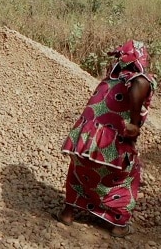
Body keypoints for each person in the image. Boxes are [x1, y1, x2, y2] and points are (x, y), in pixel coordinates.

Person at [54, 40, 157, 237]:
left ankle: (68, 212)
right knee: (128, 178)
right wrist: (134, 123)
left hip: (83, 140)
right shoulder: (138, 78)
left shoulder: (111, 79)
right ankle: (118, 224)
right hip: (108, 144)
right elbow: (140, 83)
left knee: (77, 172)